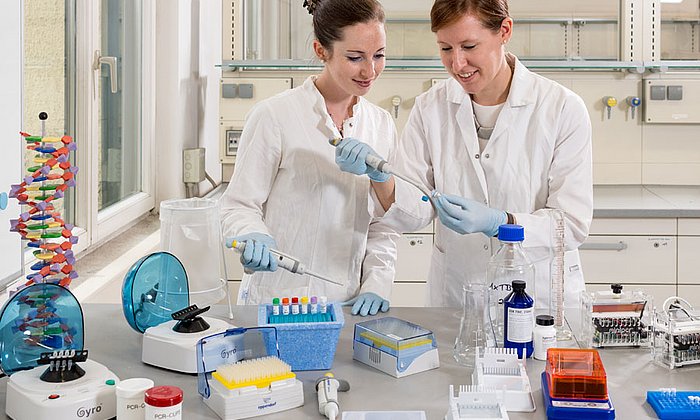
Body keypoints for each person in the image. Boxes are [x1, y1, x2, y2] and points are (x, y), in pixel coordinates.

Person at [335, 0, 593, 308]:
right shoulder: (431, 108)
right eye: (446, 49)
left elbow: (572, 224)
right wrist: (381, 178)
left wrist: (502, 222)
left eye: (469, 46)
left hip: (539, 299)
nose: (458, 64)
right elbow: (414, 210)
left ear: (504, 31)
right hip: (459, 295)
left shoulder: (561, 108)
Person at [220, 0, 399, 316]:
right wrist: (251, 234)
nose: (370, 70)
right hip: (278, 300)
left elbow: (383, 227)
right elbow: (239, 205)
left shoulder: (381, 124)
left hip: (347, 305)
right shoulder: (275, 115)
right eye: (355, 57)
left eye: (379, 55)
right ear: (321, 50)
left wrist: (376, 283)